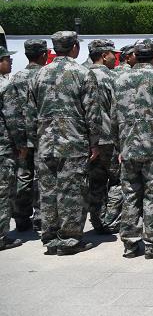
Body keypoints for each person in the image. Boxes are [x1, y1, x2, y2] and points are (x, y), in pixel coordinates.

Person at [26, 31, 99, 255]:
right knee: (73, 192)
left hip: (45, 143)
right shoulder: (82, 73)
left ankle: (50, 237)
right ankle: (69, 239)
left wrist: (34, 140)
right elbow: (92, 113)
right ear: (74, 47)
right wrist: (94, 142)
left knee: (48, 192)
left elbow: (29, 113)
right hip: (73, 142)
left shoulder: (39, 74)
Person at [112, 39, 153, 259]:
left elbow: (113, 117)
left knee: (130, 194)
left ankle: (130, 245)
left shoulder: (120, 79)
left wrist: (119, 146)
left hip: (128, 146)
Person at [2, 39, 46, 233]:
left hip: (21, 134)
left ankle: (21, 217)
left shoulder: (17, 77)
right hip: (41, 134)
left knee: (23, 176)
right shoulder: (45, 75)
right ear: (43, 54)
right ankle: (41, 217)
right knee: (43, 177)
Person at [86, 39, 119, 234]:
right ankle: (110, 220)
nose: (115, 57)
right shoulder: (111, 77)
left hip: (90, 139)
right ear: (104, 55)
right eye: (112, 53)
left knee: (96, 181)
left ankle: (97, 220)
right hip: (109, 137)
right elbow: (117, 110)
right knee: (117, 180)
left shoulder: (82, 74)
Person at [0, 45, 24, 250]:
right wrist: (21, 144)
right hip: (3, 148)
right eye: (7, 59)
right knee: (3, 192)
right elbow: (13, 119)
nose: (10, 62)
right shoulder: (5, 86)